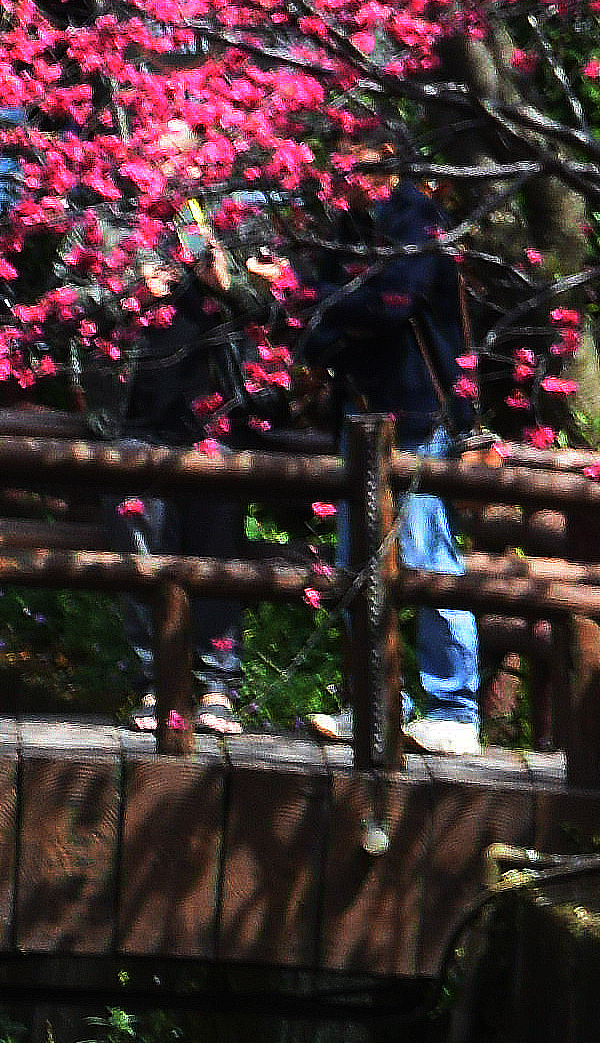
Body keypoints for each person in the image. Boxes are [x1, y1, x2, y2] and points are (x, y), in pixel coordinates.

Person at [294, 181, 484, 753]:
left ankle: (453, 710)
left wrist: (324, 298)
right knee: (357, 563)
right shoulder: (343, 226)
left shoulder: (418, 216)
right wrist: (333, 303)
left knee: (428, 560)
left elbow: (392, 305)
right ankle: (375, 702)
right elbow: (317, 322)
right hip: (358, 417)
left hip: (420, 415)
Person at [113, 227, 270, 726]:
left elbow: (277, 310)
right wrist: (128, 295)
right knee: (141, 557)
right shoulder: (103, 222)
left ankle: (216, 686)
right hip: (138, 421)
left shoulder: (234, 220)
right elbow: (67, 306)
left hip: (217, 421)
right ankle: (155, 683)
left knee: (217, 554)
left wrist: (228, 287)